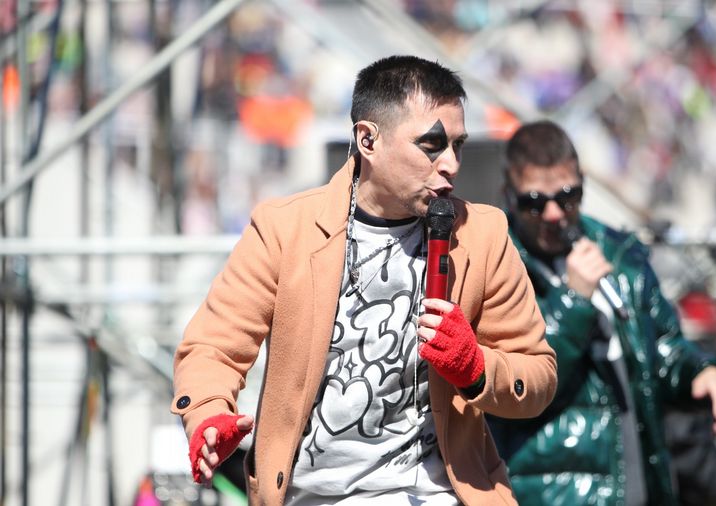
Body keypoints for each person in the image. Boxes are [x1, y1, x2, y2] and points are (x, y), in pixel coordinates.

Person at [171, 55, 557, 505]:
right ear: (368, 140)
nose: (451, 163)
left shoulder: (482, 234)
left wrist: (477, 370)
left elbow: (538, 375)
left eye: (458, 145)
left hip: (438, 494)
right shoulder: (285, 229)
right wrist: (208, 414)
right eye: (431, 145)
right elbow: (213, 347)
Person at [486, 120, 716, 506]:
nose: (554, 214)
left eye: (568, 197)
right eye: (534, 203)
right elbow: (511, 384)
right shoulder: (492, 264)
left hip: (636, 483)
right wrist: (574, 300)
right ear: (509, 195)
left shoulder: (620, 253)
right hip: (548, 491)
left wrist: (701, 370)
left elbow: (664, 345)